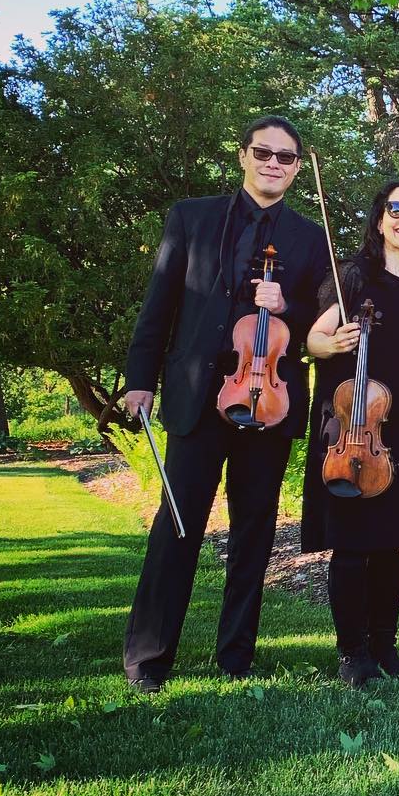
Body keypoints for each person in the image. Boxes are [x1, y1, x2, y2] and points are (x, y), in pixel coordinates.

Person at [122, 117, 327, 693]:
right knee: (176, 528)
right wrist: (141, 377)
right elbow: (159, 303)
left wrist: (287, 306)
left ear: (295, 168)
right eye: (264, 152)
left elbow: (320, 324)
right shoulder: (192, 217)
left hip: (269, 400)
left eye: (286, 158)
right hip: (197, 394)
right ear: (243, 156)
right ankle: (149, 658)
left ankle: (235, 654)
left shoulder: (310, 239)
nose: (274, 164)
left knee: (254, 532)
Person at [301, 179, 399, 687]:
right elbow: (314, 340)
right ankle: (352, 652)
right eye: (397, 209)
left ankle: (386, 645)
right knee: (353, 543)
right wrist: (331, 340)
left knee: (390, 543)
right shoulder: (353, 277)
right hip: (350, 424)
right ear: (380, 218)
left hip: (396, 427)